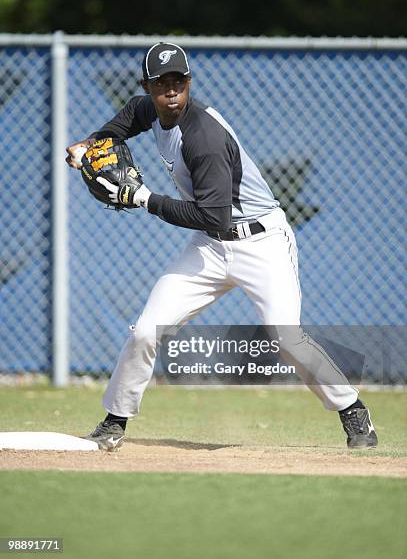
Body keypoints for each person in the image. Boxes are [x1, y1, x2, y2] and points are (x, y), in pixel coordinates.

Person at [66, 41, 378, 452]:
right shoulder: (150, 110)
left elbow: (215, 216)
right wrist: (90, 143)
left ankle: (351, 409)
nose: (171, 89)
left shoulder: (203, 137)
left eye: (178, 80)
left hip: (260, 243)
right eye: (161, 82)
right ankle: (115, 420)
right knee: (145, 331)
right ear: (148, 87)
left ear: (189, 83)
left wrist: (143, 198)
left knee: (287, 337)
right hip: (210, 248)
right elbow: (126, 119)